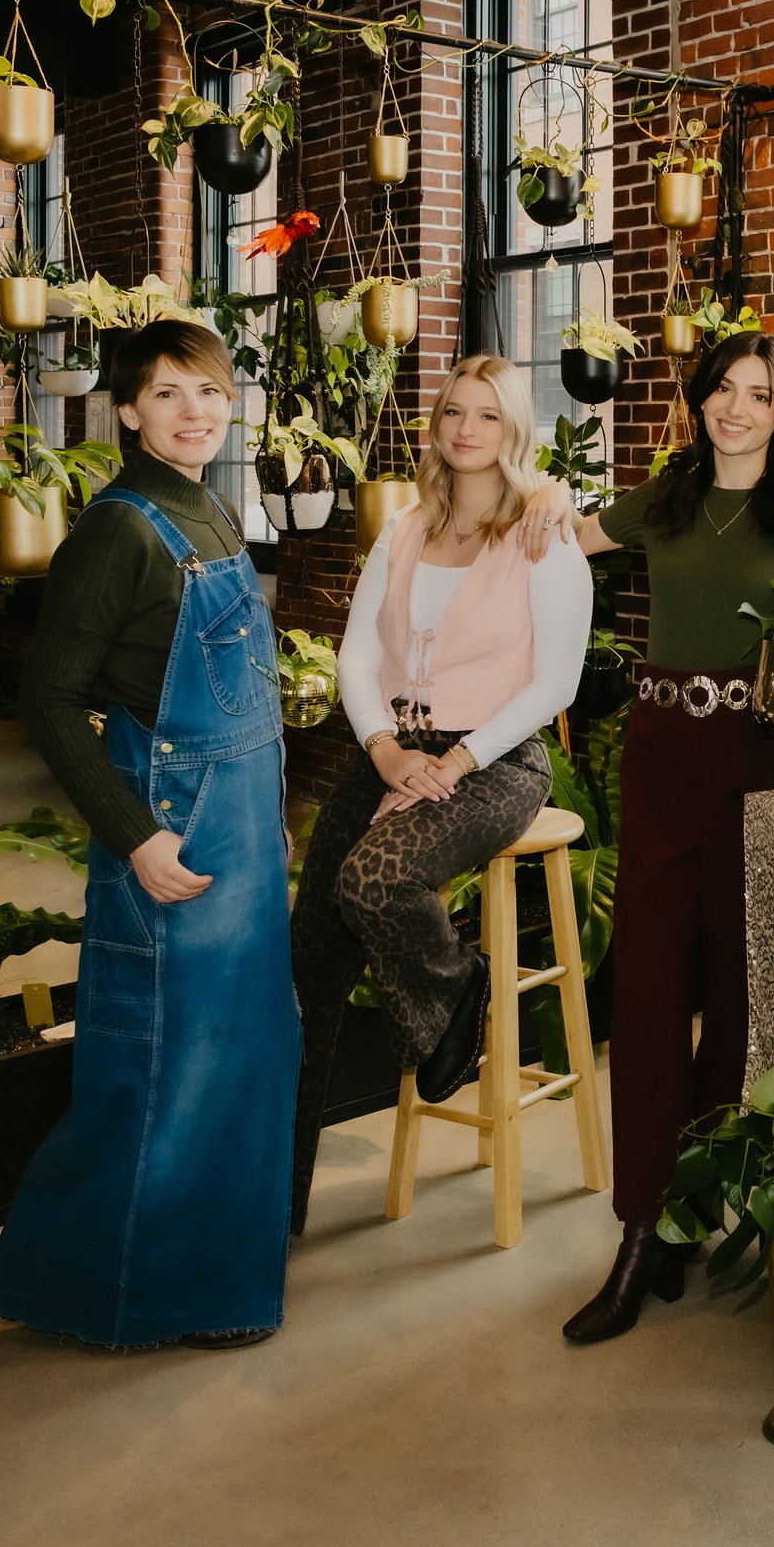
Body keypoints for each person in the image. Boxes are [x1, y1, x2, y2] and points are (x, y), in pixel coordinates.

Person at [519, 331, 774, 1343]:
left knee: (742, 989)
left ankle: (685, 1205)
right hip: (663, 750)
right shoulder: (664, 497)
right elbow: (562, 535)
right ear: (698, 399)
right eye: (721, 390)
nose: (736, 408)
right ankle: (637, 1225)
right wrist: (539, 495)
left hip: (762, 753)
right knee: (654, 984)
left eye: (758, 395)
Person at [0, 319, 299, 1350]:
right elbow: (49, 696)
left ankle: (210, 1281)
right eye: (167, 394)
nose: (195, 411)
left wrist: (275, 823)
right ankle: (108, 1289)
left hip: (241, 835)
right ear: (125, 409)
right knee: (160, 1065)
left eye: (206, 390)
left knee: (240, 1057)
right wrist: (135, 838)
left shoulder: (208, 507)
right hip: (171, 835)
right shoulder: (121, 528)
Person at [286, 356, 590, 1232]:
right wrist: (381, 747)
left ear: (514, 430)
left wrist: (456, 762)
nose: (466, 429)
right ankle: (275, 1206)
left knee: (373, 880)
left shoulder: (544, 535)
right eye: (454, 411)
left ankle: (459, 990)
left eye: (488, 416)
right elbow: (356, 656)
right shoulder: (406, 529)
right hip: (392, 752)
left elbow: (557, 683)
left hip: (494, 761)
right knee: (310, 970)